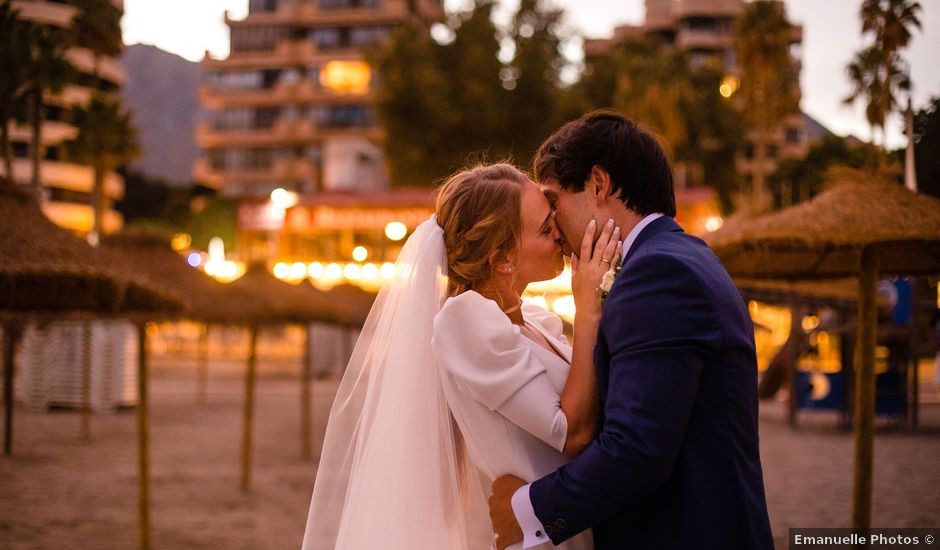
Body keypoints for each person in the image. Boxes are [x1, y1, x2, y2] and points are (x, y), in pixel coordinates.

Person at [487, 110, 774, 550]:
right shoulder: (681, 256)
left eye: (555, 199)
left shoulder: (658, 273)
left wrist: (528, 510)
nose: (554, 227)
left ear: (598, 184)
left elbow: (636, 449)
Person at [301, 163, 619, 549]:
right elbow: (573, 432)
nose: (559, 236)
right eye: (545, 229)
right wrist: (587, 309)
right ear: (502, 258)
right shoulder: (465, 321)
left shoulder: (530, 321)